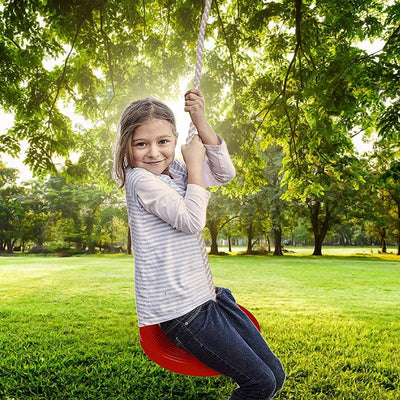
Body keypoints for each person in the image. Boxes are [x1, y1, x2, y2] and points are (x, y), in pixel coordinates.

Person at [113, 89, 285, 400]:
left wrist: (201, 122)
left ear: (175, 138)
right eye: (142, 144)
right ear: (127, 146)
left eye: (163, 142)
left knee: (274, 375)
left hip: (210, 298)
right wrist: (193, 165)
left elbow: (224, 172)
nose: (153, 152)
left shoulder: (176, 171)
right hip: (183, 313)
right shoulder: (141, 180)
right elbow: (191, 219)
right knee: (259, 384)